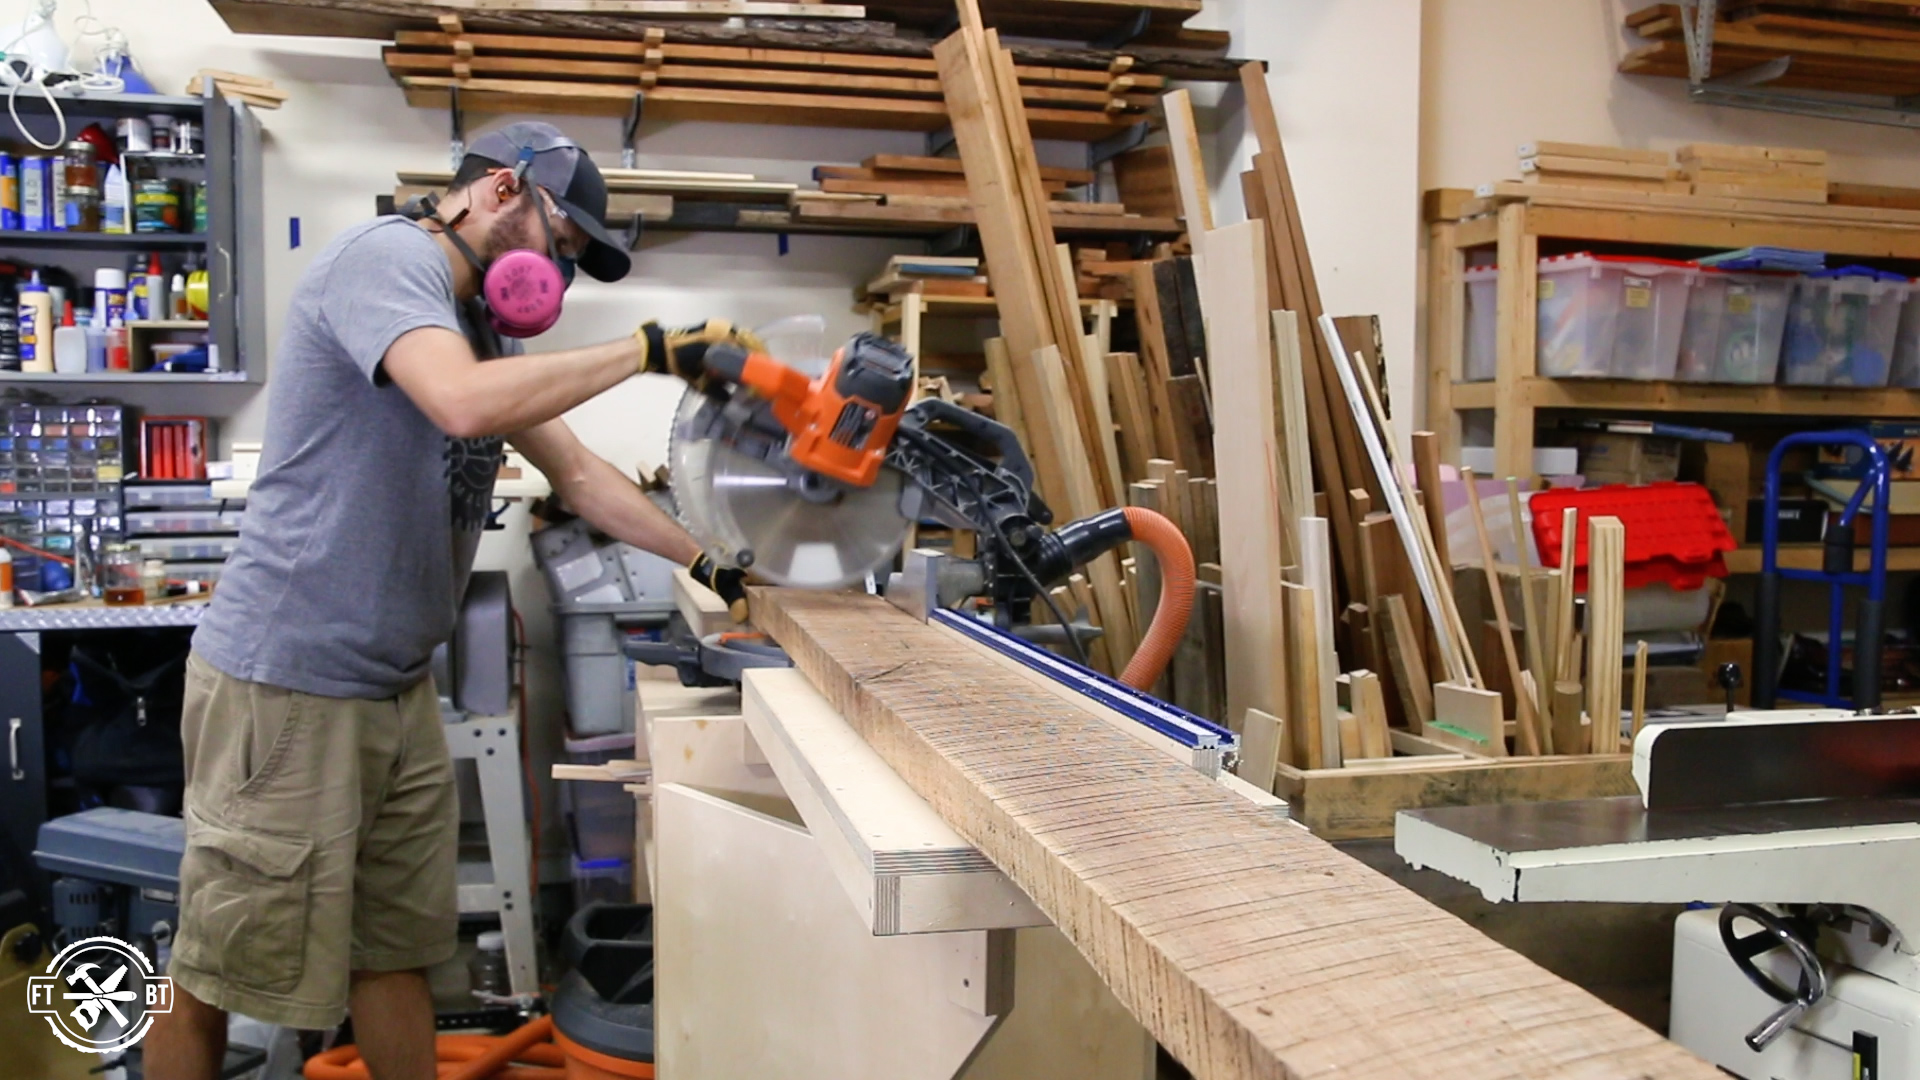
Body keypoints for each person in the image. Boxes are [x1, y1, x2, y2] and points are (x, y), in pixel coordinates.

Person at [146, 122, 751, 1080]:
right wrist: (644, 351)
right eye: (561, 243)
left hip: (393, 690)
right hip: (287, 686)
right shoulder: (385, 263)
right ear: (499, 190)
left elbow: (583, 475)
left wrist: (710, 563)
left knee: (396, 952)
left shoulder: (474, 326)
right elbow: (461, 404)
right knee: (217, 969)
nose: (560, 270)